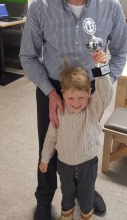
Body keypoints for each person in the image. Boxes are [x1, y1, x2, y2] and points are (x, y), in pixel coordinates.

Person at [19, 0, 127, 220]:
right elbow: (28, 57)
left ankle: (88, 192)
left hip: (93, 88)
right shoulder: (41, 7)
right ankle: (44, 199)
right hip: (53, 87)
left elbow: (121, 52)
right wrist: (51, 92)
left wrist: (105, 88)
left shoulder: (110, 6)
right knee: (51, 143)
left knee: (88, 142)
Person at [39, 50, 113, 220]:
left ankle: (86, 215)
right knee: (67, 193)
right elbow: (51, 137)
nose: (76, 103)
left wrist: (100, 66)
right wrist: (44, 159)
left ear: (89, 93)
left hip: (88, 164)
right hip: (64, 165)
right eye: (71, 98)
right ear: (63, 94)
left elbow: (107, 95)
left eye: (81, 97)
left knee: (87, 195)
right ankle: (67, 215)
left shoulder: (94, 108)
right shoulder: (60, 111)